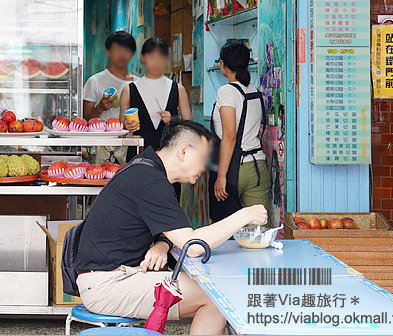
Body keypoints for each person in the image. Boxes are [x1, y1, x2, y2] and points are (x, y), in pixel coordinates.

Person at [74, 119, 268, 334]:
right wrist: (244, 214)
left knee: (215, 294)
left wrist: (162, 245)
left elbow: (170, 230)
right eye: (203, 159)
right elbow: (193, 245)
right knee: (217, 297)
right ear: (184, 151)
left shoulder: (145, 168)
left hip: (116, 276)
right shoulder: (151, 181)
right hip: (109, 284)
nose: (204, 168)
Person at [209, 41, 270, 223]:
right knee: (257, 231)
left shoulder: (226, 91)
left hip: (234, 168)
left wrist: (221, 176)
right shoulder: (255, 91)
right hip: (258, 167)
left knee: (224, 231)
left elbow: (230, 136)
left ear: (222, 64)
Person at [120, 37, 193, 151]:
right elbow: (121, 126)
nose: (156, 62)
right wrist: (127, 126)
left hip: (170, 155)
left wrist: (174, 121)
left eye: (161, 57)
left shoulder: (178, 89)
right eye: (152, 57)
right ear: (143, 57)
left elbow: (190, 126)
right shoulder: (128, 90)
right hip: (138, 155)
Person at [82, 31, 137, 164]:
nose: (122, 54)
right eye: (117, 49)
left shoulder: (138, 83)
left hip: (129, 146)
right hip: (102, 147)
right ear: (108, 52)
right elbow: (84, 119)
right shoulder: (95, 81)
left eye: (127, 50)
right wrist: (99, 108)